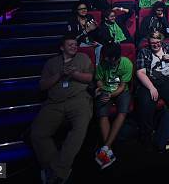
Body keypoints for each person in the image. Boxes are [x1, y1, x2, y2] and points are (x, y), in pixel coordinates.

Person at [31, 35, 93, 183]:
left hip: (78, 98)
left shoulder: (83, 58)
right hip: (54, 102)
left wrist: (74, 74)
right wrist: (60, 74)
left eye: (75, 44)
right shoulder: (51, 63)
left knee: (80, 127)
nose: (74, 46)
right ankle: (57, 168)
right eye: (70, 44)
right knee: (37, 133)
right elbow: (43, 85)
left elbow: (90, 78)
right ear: (62, 47)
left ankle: (56, 170)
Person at [135, 30, 169, 149]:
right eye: (153, 43)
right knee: (145, 104)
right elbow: (140, 72)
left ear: (161, 41)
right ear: (149, 42)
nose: (156, 45)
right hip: (150, 81)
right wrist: (151, 88)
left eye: (158, 42)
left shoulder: (168, 47)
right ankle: (147, 134)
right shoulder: (144, 52)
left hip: (168, 79)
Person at [94, 43, 133, 169]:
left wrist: (111, 95)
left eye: (109, 58)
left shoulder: (126, 63)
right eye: (105, 57)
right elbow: (99, 79)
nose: (106, 60)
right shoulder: (103, 63)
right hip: (106, 89)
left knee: (123, 111)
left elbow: (122, 86)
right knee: (102, 113)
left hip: (121, 91)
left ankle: (105, 147)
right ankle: (108, 149)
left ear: (117, 58)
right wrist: (100, 89)